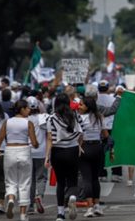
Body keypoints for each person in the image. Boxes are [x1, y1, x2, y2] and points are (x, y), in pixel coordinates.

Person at [0, 100, 39, 221]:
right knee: (24, 183)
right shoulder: (28, 122)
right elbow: (34, 142)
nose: (29, 110)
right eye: (28, 108)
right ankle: (23, 214)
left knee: (10, 181)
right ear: (22, 109)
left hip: (10, 150)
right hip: (24, 150)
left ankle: (10, 199)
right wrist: (36, 145)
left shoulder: (7, 122)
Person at [45, 93, 83, 221]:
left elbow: (50, 138)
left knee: (60, 183)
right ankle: (72, 197)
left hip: (57, 152)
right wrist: (79, 145)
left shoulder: (51, 118)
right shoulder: (75, 115)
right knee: (73, 180)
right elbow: (81, 132)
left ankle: (60, 213)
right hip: (72, 150)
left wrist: (47, 156)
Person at [78, 96, 109, 217]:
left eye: (81, 104)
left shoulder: (79, 118)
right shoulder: (99, 117)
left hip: (84, 148)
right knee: (95, 179)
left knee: (87, 179)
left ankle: (89, 207)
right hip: (97, 148)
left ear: (87, 106)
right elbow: (105, 134)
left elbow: (78, 135)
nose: (79, 107)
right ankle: (97, 206)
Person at [26, 96, 48, 215]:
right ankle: (39, 196)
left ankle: (30, 205)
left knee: (30, 179)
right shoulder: (43, 117)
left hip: (27, 152)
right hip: (41, 151)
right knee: (41, 177)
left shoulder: (25, 119)